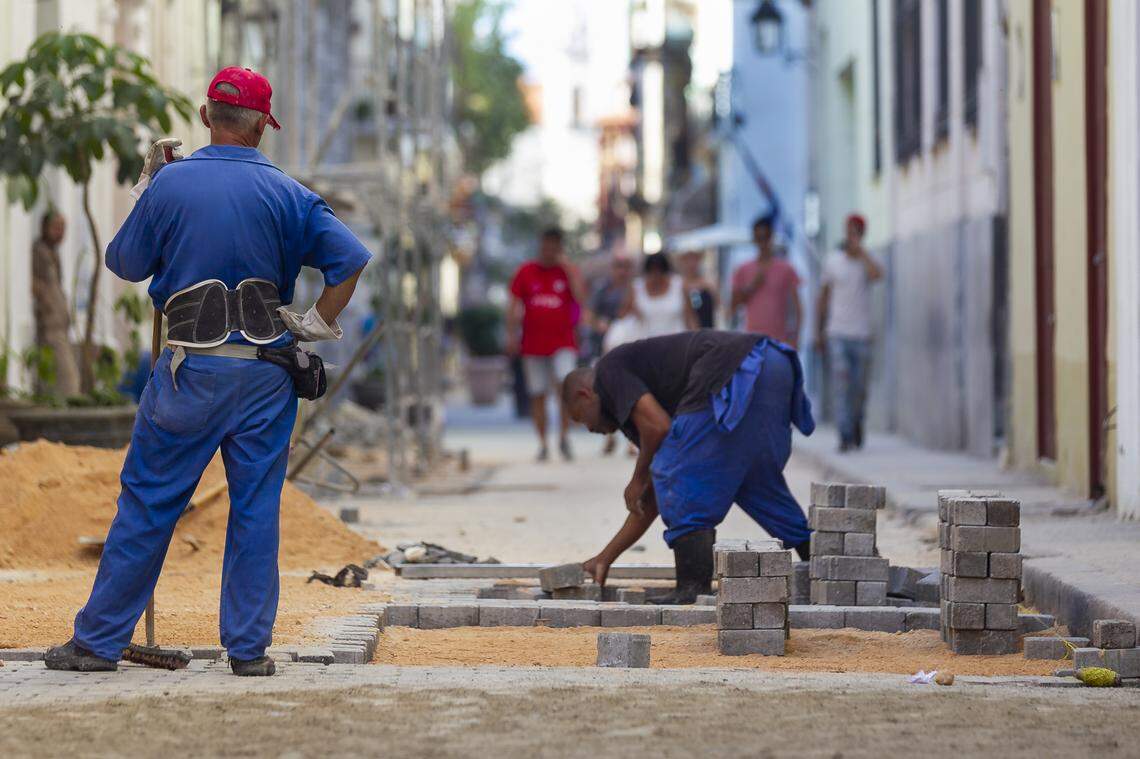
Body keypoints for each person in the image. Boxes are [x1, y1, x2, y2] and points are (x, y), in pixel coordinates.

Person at [44, 67, 372, 676]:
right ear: (261, 126)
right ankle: (247, 651)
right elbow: (349, 262)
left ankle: (97, 643)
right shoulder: (289, 192)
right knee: (255, 509)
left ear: (204, 117)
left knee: (147, 504)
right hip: (267, 378)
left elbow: (125, 262)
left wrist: (149, 187)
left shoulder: (174, 184)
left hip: (188, 373)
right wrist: (317, 324)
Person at [562, 330, 814, 604]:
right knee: (756, 483)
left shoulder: (608, 373)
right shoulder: (634, 410)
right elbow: (656, 496)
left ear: (585, 394)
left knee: (677, 471)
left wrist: (637, 477)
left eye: (581, 418)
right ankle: (824, 565)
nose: (590, 429)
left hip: (735, 369)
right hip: (773, 362)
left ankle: (692, 588)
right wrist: (605, 558)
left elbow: (659, 429)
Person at [506, 227, 590, 462]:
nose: (549, 251)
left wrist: (569, 270)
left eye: (554, 247)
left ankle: (564, 436)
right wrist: (511, 334)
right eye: (546, 246)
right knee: (537, 393)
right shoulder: (525, 271)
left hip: (563, 341)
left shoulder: (567, 272)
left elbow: (582, 300)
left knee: (565, 386)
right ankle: (543, 443)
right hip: (532, 344)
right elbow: (513, 305)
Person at [814, 213, 883, 452]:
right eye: (848, 230)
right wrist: (818, 331)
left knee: (859, 389)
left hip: (862, 335)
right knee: (841, 386)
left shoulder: (868, 261)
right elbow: (823, 296)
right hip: (837, 333)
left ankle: (857, 424)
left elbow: (877, 275)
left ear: (861, 235)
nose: (850, 235)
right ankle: (844, 434)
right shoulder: (833, 261)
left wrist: (861, 253)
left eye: (855, 231)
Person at [730, 215, 803, 346]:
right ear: (753, 239)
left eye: (765, 237)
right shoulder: (743, 269)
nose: (762, 243)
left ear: (771, 237)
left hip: (779, 340)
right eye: (758, 238)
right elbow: (733, 306)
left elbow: (797, 306)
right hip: (751, 340)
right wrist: (752, 286)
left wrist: (796, 337)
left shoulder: (786, 269)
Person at [31, 211, 81, 397]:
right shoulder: (38, 252)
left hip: (61, 328)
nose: (60, 233)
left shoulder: (53, 253)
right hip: (49, 328)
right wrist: (45, 301)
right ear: (44, 228)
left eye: (63, 228)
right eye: (56, 228)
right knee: (68, 381)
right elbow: (31, 282)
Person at [622, 252, 697, 338]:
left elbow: (690, 317)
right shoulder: (636, 287)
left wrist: (695, 338)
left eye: (659, 272)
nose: (656, 276)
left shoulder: (680, 284)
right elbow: (623, 315)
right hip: (646, 342)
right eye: (652, 272)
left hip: (677, 343)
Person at [679, 250, 717, 329]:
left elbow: (716, 306)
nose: (691, 263)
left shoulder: (708, 284)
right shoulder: (679, 284)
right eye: (688, 260)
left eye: (694, 259)